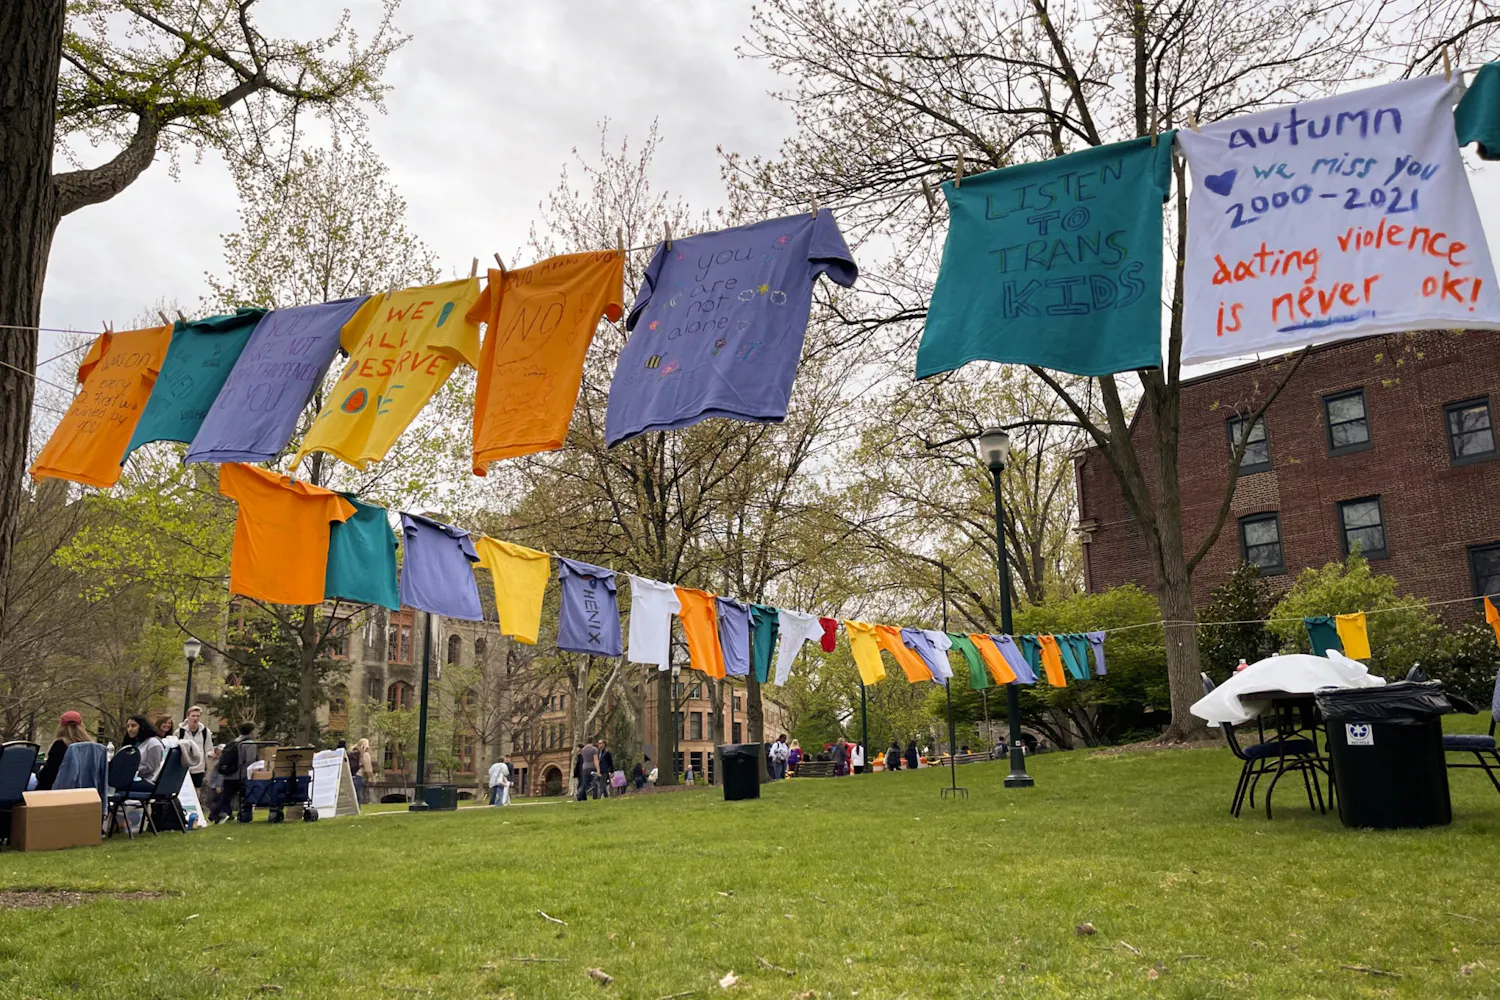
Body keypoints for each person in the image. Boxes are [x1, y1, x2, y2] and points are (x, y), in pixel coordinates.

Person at [210, 721, 257, 824]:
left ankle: (213, 815)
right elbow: (250, 761)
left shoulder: (234, 742)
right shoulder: (249, 744)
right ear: (251, 731)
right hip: (240, 775)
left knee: (226, 798)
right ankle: (244, 816)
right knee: (245, 797)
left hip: (229, 774)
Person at [35, 710, 92, 791]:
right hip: (87, 793)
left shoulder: (60, 745)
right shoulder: (91, 747)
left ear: (61, 727)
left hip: (58, 793)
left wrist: (39, 773)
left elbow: (48, 775)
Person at [175, 706, 214, 789]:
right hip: (184, 768)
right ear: (188, 717)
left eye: (198, 716)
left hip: (199, 768)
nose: (195, 718)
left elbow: (208, 748)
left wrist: (211, 755)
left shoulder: (205, 732)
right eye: (193, 716)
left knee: (197, 791)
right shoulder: (180, 732)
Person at [348, 738, 374, 803]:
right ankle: (357, 809)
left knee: (352, 795)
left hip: (350, 776)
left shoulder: (352, 753)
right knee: (358, 796)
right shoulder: (365, 754)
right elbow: (368, 769)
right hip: (359, 776)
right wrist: (371, 777)